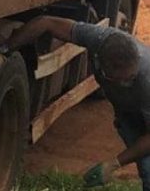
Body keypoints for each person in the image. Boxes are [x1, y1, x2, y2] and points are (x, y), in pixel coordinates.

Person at [8, 16, 150, 189]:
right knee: (144, 165)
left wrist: (113, 164)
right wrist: (6, 47)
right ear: (103, 68)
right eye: (122, 80)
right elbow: (47, 22)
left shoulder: (145, 78)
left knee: (147, 167)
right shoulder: (100, 39)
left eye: (130, 78)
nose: (127, 83)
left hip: (143, 106)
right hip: (128, 111)